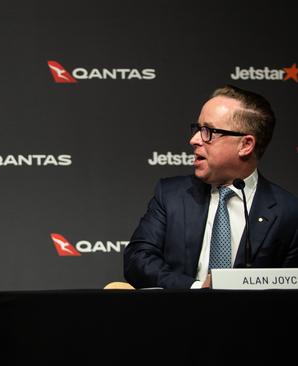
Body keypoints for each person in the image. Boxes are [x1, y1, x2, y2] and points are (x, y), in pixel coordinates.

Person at [124, 85, 298, 289]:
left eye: (208, 131)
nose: (194, 140)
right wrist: (197, 289)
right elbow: (137, 260)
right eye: (197, 129)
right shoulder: (171, 195)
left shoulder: (288, 212)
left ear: (245, 145)